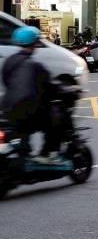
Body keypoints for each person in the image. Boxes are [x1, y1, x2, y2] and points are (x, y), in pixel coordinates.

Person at [0, 26, 59, 163]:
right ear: (34, 43)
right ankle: (46, 153)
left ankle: (24, 149)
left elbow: (7, 81)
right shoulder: (35, 65)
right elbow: (50, 87)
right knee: (54, 119)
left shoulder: (9, 61)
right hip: (27, 113)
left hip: (6, 109)